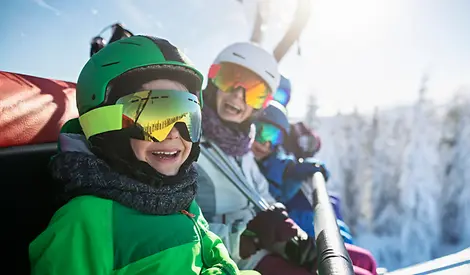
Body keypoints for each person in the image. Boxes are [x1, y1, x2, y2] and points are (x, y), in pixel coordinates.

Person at [28, 35, 258, 275]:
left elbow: (214, 261)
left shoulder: (180, 199)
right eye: (155, 117)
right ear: (104, 125)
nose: (174, 134)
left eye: (187, 117)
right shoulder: (86, 222)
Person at [195, 42, 317, 275]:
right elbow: (179, 227)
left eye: (254, 92)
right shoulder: (191, 144)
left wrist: (281, 223)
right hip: (235, 260)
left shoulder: (242, 144)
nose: (238, 96)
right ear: (213, 81)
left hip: (264, 250)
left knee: (355, 264)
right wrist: (245, 237)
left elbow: (263, 193)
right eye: (230, 80)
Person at [251, 100, 378, 275]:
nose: (265, 143)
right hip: (278, 239)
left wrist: (301, 159)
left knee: (366, 260)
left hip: (293, 235)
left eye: (274, 137)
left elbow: (306, 149)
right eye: (260, 132)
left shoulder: (274, 160)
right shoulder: (246, 161)